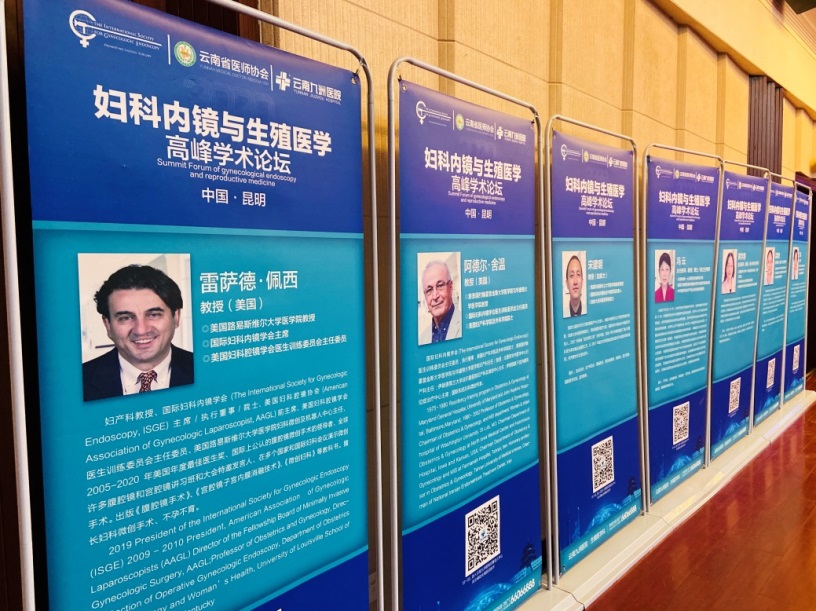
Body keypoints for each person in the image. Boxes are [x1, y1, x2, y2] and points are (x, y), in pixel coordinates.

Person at [83, 264, 194, 401]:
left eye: (154, 315)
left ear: (176, 317)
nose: (141, 330)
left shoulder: (210, 371)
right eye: (125, 318)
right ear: (108, 325)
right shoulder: (76, 382)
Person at [418, 260, 462, 345]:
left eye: (440, 285)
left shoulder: (466, 325)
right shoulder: (422, 338)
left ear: (450, 287)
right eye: (429, 290)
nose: (435, 296)